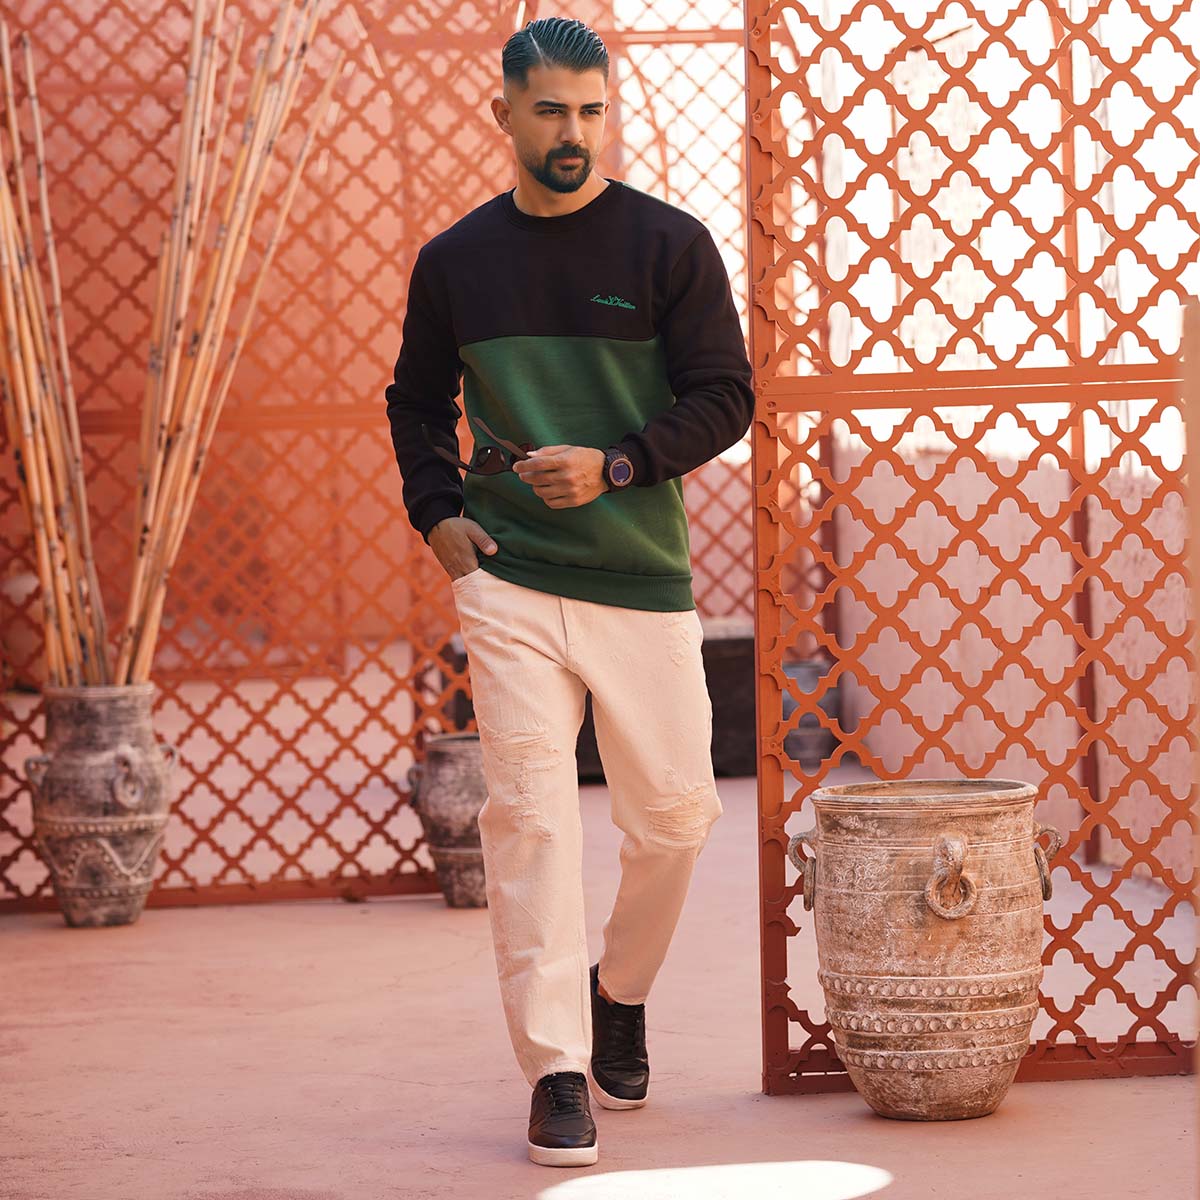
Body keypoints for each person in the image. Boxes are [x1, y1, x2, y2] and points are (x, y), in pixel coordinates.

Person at [384, 15, 754, 1169]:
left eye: (591, 111)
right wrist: (438, 513)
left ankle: (618, 992)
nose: (573, 133)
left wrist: (620, 464)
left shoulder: (669, 245)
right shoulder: (455, 261)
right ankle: (554, 1068)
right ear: (504, 113)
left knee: (678, 819)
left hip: (639, 576)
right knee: (534, 822)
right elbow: (415, 400)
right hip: (508, 577)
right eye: (549, 110)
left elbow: (726, 396)